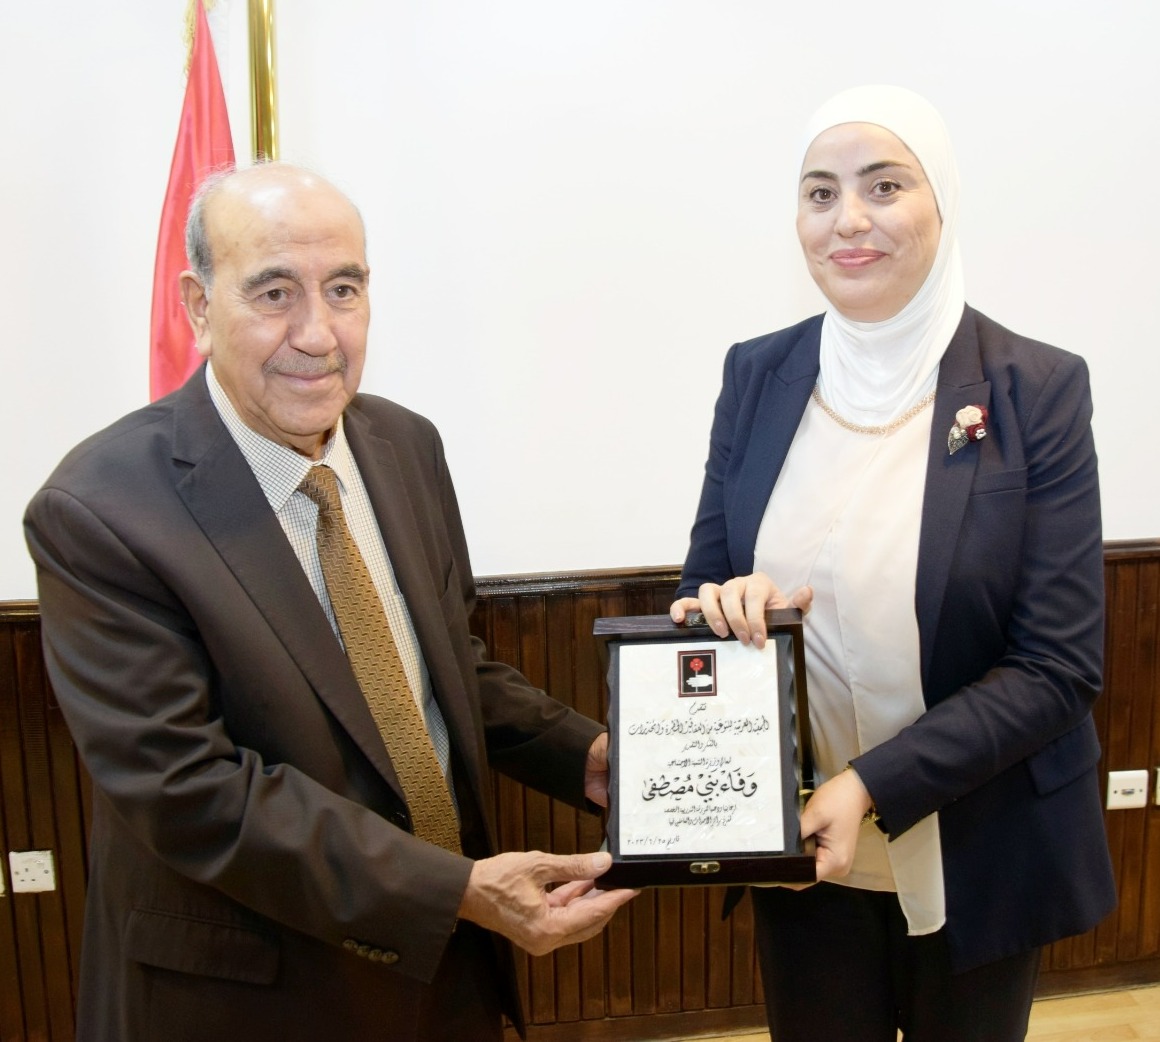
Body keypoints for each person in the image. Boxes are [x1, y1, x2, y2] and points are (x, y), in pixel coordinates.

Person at [24, 162, 635, 1042]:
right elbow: (186, 788)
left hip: (444, 971)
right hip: (249, 999)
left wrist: (587, 758)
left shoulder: (403, 444)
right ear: (198, 305)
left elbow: (442, 668)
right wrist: (452, 890)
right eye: (274, 292)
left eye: (343, 289)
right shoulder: (100, 509)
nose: (317, 333)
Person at [669, 86, 1115, 1042]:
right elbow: (697, 590)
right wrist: (726, 607)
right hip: (803, 850)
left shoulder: (1035, 388)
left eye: (884, 186)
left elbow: (1058, 666)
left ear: (941, 201)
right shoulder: (756, 373)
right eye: (819, 193)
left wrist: (872, 783)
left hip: (979, 842)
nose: (848, 219)